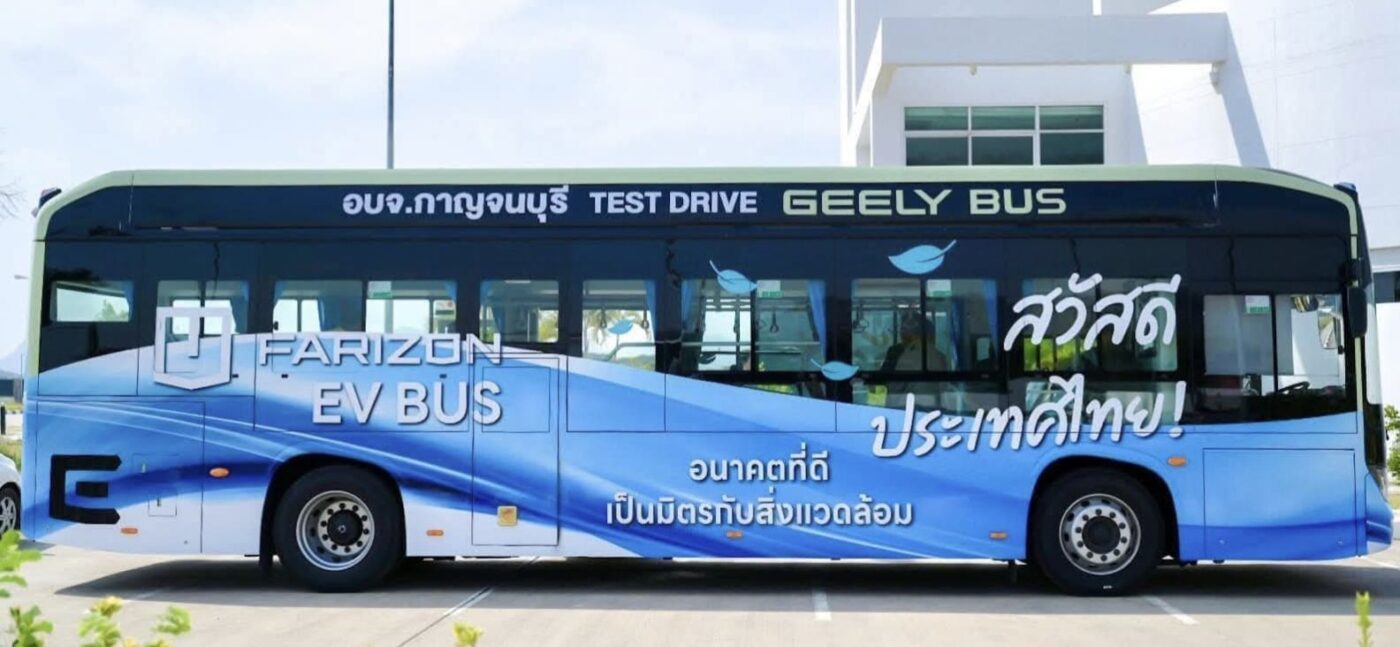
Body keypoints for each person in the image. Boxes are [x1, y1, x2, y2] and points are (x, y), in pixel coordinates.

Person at [879, 312, 949, 408]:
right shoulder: (939, 356)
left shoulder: (903, 354)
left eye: (903, 329)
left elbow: (894, 387)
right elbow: (944, 388)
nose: (901, 333)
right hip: (934, 407)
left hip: (907, 408)